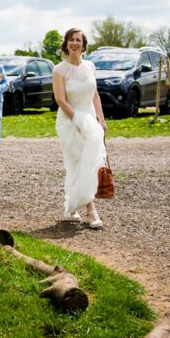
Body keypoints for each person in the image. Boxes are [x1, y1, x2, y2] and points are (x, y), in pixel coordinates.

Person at [52, 27, 108, 229]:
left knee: (91, 162)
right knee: (76, 162)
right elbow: (60, 100)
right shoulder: (59, 70)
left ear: (83, 44)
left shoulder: (90, 66)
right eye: (71, 40)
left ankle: (73, 204)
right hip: (69, 119)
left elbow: (95, 95)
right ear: (66, 44)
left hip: (90, 119)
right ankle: (91, 210)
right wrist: (77, 121)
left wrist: (101, 120)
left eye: (78, 40)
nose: (75, 43)